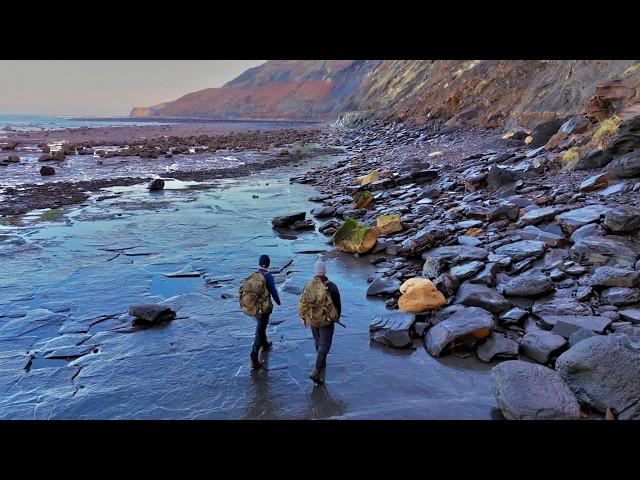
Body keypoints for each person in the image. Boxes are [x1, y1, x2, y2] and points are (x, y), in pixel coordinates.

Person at [298, 257, 341, 385]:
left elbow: (303, 303)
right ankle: (317, 370)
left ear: (315, 272)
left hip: (312, 320)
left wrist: (303, 318)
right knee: (325, 346)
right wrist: (336, 318)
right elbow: (338, 306)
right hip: (326, 321)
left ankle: (321, 367)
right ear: (325, 271)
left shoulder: (308, 286)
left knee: (318, 343)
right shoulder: (332, 287)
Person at [249, 254, 281, 369]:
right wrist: (278, 302)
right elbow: (273, 291)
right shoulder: (268, 276)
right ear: (268, 265)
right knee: (260, 329)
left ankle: (265, 344)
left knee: (261, 326)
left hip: (253, 307)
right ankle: (254, 357)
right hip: (264, 308)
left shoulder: (254, 275)